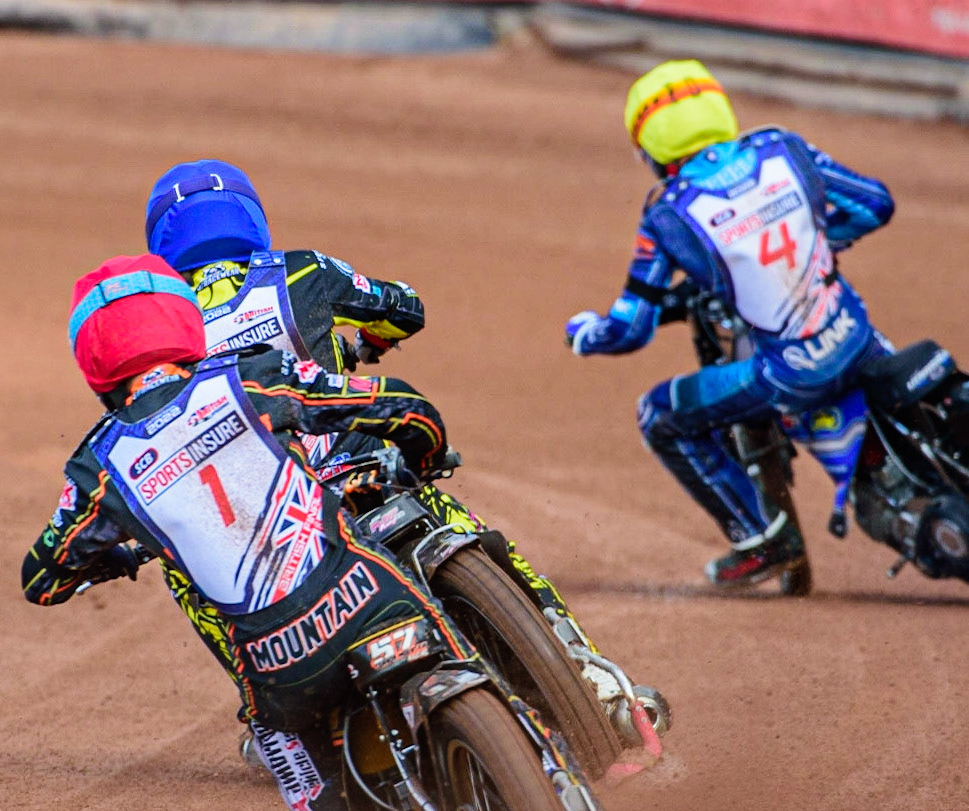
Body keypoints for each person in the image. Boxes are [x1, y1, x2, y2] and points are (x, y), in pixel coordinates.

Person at [143, 159, 666, 742]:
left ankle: (276, 721)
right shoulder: (300, 273)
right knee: (471, 534)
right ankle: (593, 682)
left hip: (274, 517)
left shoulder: (161, 330)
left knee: (188, 576)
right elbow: (405, 310)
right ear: (250, 217)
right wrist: (367, 347)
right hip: (361, 468)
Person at [23, 254, 465, 811]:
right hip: (367, 597)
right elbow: (397, 406)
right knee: (450, 637)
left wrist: (116, 557)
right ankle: (550, 757)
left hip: (282, 664)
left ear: (94, 365)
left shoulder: (98, 462)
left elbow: (43, 578)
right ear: (183, 324)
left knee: (273, 729)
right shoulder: (249, 374)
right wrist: (424, 453)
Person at [565, 60, 896, 586]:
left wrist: (587, 333)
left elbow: (631, 328)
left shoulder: (668, 213)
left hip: (790, 372)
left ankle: (763, 539)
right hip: (860, 337)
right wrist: (813, 241)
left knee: (659, 414)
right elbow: (875, 204)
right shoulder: (781, 147)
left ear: (650, 147)